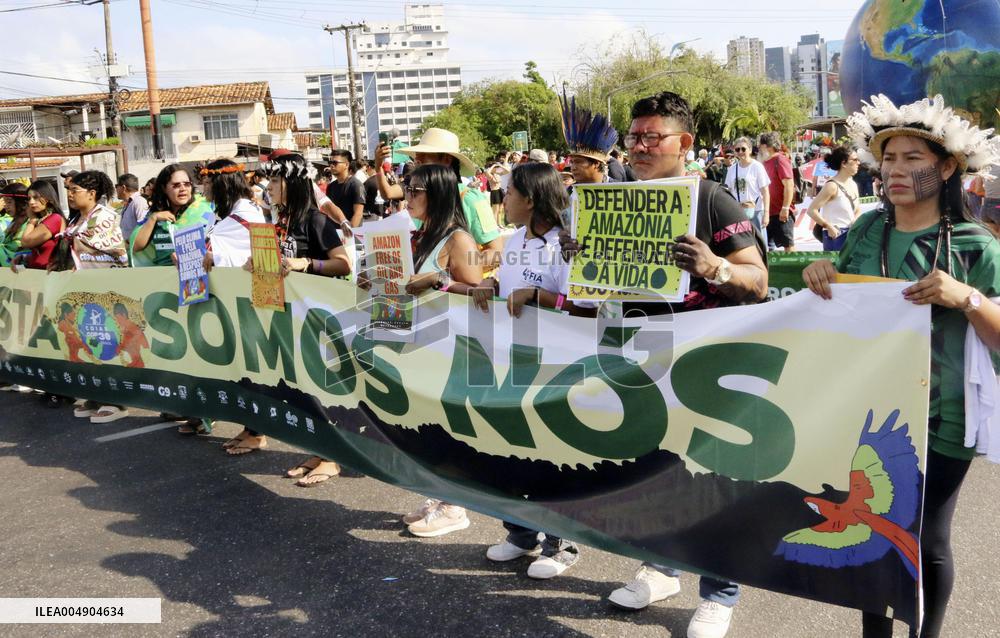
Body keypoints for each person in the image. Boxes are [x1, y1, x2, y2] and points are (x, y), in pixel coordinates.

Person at [563, 91, 767, 638]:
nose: (641, 146)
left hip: (704, 361)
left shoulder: (712, 199)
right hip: (639, 360)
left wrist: (714, 267)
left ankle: (719, 592)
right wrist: (579, 258)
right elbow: (590, 297)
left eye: (654, 137)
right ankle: (662, 567)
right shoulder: (613, 199)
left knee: (710, 476)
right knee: (653, 471)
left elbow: (758, 281)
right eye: (634, 137)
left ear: (685, 143)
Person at [803, 94, 1000, 638]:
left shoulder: (975, 245)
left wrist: (968, 299)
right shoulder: (866, 231)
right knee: (872, 526)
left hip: (944, 413)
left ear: (947, 167)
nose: (895, 170)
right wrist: (821, 275)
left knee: (927, 536)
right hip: (869, 412)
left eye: (913, 158)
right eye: (888, 159)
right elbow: (840, 306)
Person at [471, 162, 596, 580]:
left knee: (554, 455)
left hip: (556, 368)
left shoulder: (568, 244)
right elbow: (509, 289)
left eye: (508, 192)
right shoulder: (514, 240)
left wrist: (540, 296)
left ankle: (562, 543)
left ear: (531, 199)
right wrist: (492, 287)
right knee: (513, 449)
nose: (501, 198)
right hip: (514, 362)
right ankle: (521, 533)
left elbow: (585, 306)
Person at [391, 163, 483, 538]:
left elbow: (480, 289)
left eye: (416, 191)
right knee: (424, 426)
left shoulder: (459, 240)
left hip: (448, 348)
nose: (408, 196)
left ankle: (455, 505)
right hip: (417, 344)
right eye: (406, 188)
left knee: (447, 427)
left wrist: (437, 279)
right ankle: (439, 494)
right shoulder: (419, 233)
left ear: (438, 194)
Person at [259, 153, 352, 487]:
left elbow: (343, 265)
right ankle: (318, 449)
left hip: (320, 319)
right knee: (303, 389)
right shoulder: (279, 221)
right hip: (291, 320)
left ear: (293, 184)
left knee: (324, 388)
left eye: (274, 181)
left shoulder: (317, 220)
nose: (268, 187)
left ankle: (334, 457)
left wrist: (306, 264)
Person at [197, 159, 267, 455]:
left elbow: (250, 255)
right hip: (232, 301)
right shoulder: (226, 214)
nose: (203, 188)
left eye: (207, 182)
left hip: (250, 300)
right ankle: (249, 426)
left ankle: (258, 430)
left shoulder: (246, 214)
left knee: (253, 368)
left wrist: (212, 255)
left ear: (220, 183)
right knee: (239, 367)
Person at [375, 128, 504, 269]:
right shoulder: (420, 198)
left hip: (455, 290)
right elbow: (388, 193)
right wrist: (378, 168)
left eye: (425, 155)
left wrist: (449, 269)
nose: (417, 160)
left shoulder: (471, 199)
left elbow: (497, 252)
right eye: (417, 156)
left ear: (447, 160)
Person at [62, 170, 130, 423]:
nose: (69, 195)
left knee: (109, 344)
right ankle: (97, 393)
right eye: (69, 190)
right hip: (83, 292)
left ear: (92, 194)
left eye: (74, 190)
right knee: (88, 343)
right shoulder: (77, 219)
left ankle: (117, 399)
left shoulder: (104, 217)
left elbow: (111, 250)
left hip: (105, 289)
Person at [803, 144, 861, 251]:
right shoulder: (831, 186)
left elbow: (857, 209)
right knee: (835, 267)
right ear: (844, 163)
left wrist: (855, 221)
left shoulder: (853, 184)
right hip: (835, 236)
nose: (858, 163)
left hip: (852, 235)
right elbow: (812, 210)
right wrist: (828, 226)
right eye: (855, 160)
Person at [724, 136, 771, 244]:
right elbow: (727, 191)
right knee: (742, 244)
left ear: (749, 150)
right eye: (737, 149)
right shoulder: (732, 169)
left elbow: (765, 191)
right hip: (738, 212)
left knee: (760, 243)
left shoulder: (757, 167)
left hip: (756, 211)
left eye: (743, 149)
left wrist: (766, 213)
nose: (740, 152)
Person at [757, 132, 796, 251]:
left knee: (788, 246)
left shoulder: (780, 160)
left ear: (766, 146)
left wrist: (785, 208)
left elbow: (789, 185)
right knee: (765, 247)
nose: (758, 149)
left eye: (760, 146)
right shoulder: (764, 163)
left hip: (781, 213)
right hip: (768, 212)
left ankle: (792, 270)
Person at [326, 149, 365, 229]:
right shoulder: (331, 186)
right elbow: (328, 211)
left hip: (352, 234)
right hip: (334, 234)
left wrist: (350, 233)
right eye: (330, 163)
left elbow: (358, 213)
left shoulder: (356, 185)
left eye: (335, 163)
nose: (332, 166)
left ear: (346, 165)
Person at [0, 183, 29, 266]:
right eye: (4, 202)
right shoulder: (13, 221)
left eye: (9, 202)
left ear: (20, 202)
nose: (5, 206)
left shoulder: (30, 221)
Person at [116, 173, 149, 242]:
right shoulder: (129, 203)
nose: (116, 189)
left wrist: (129, 243)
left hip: (135, 250)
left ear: (123, 188)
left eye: (116, 186)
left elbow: (143, 228)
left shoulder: (139, 202)